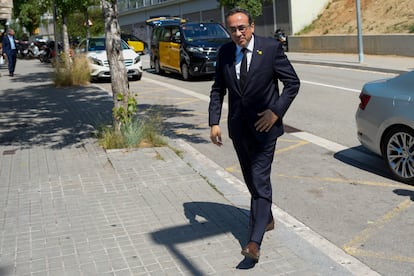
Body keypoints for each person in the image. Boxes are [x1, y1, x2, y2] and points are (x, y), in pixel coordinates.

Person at [208, 8, 300, 267]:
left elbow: (292, 83)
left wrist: (276, 112)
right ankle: (267, 218)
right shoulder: (225, 52)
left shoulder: (270, 49)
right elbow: (218, 89)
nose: (238, 34)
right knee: (251, 179)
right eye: (233, 29)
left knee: (260, 180)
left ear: (252, 26)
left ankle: (254, 242)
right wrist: (214, 122)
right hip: (238, 128)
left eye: (242, 28)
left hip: (265, 129)